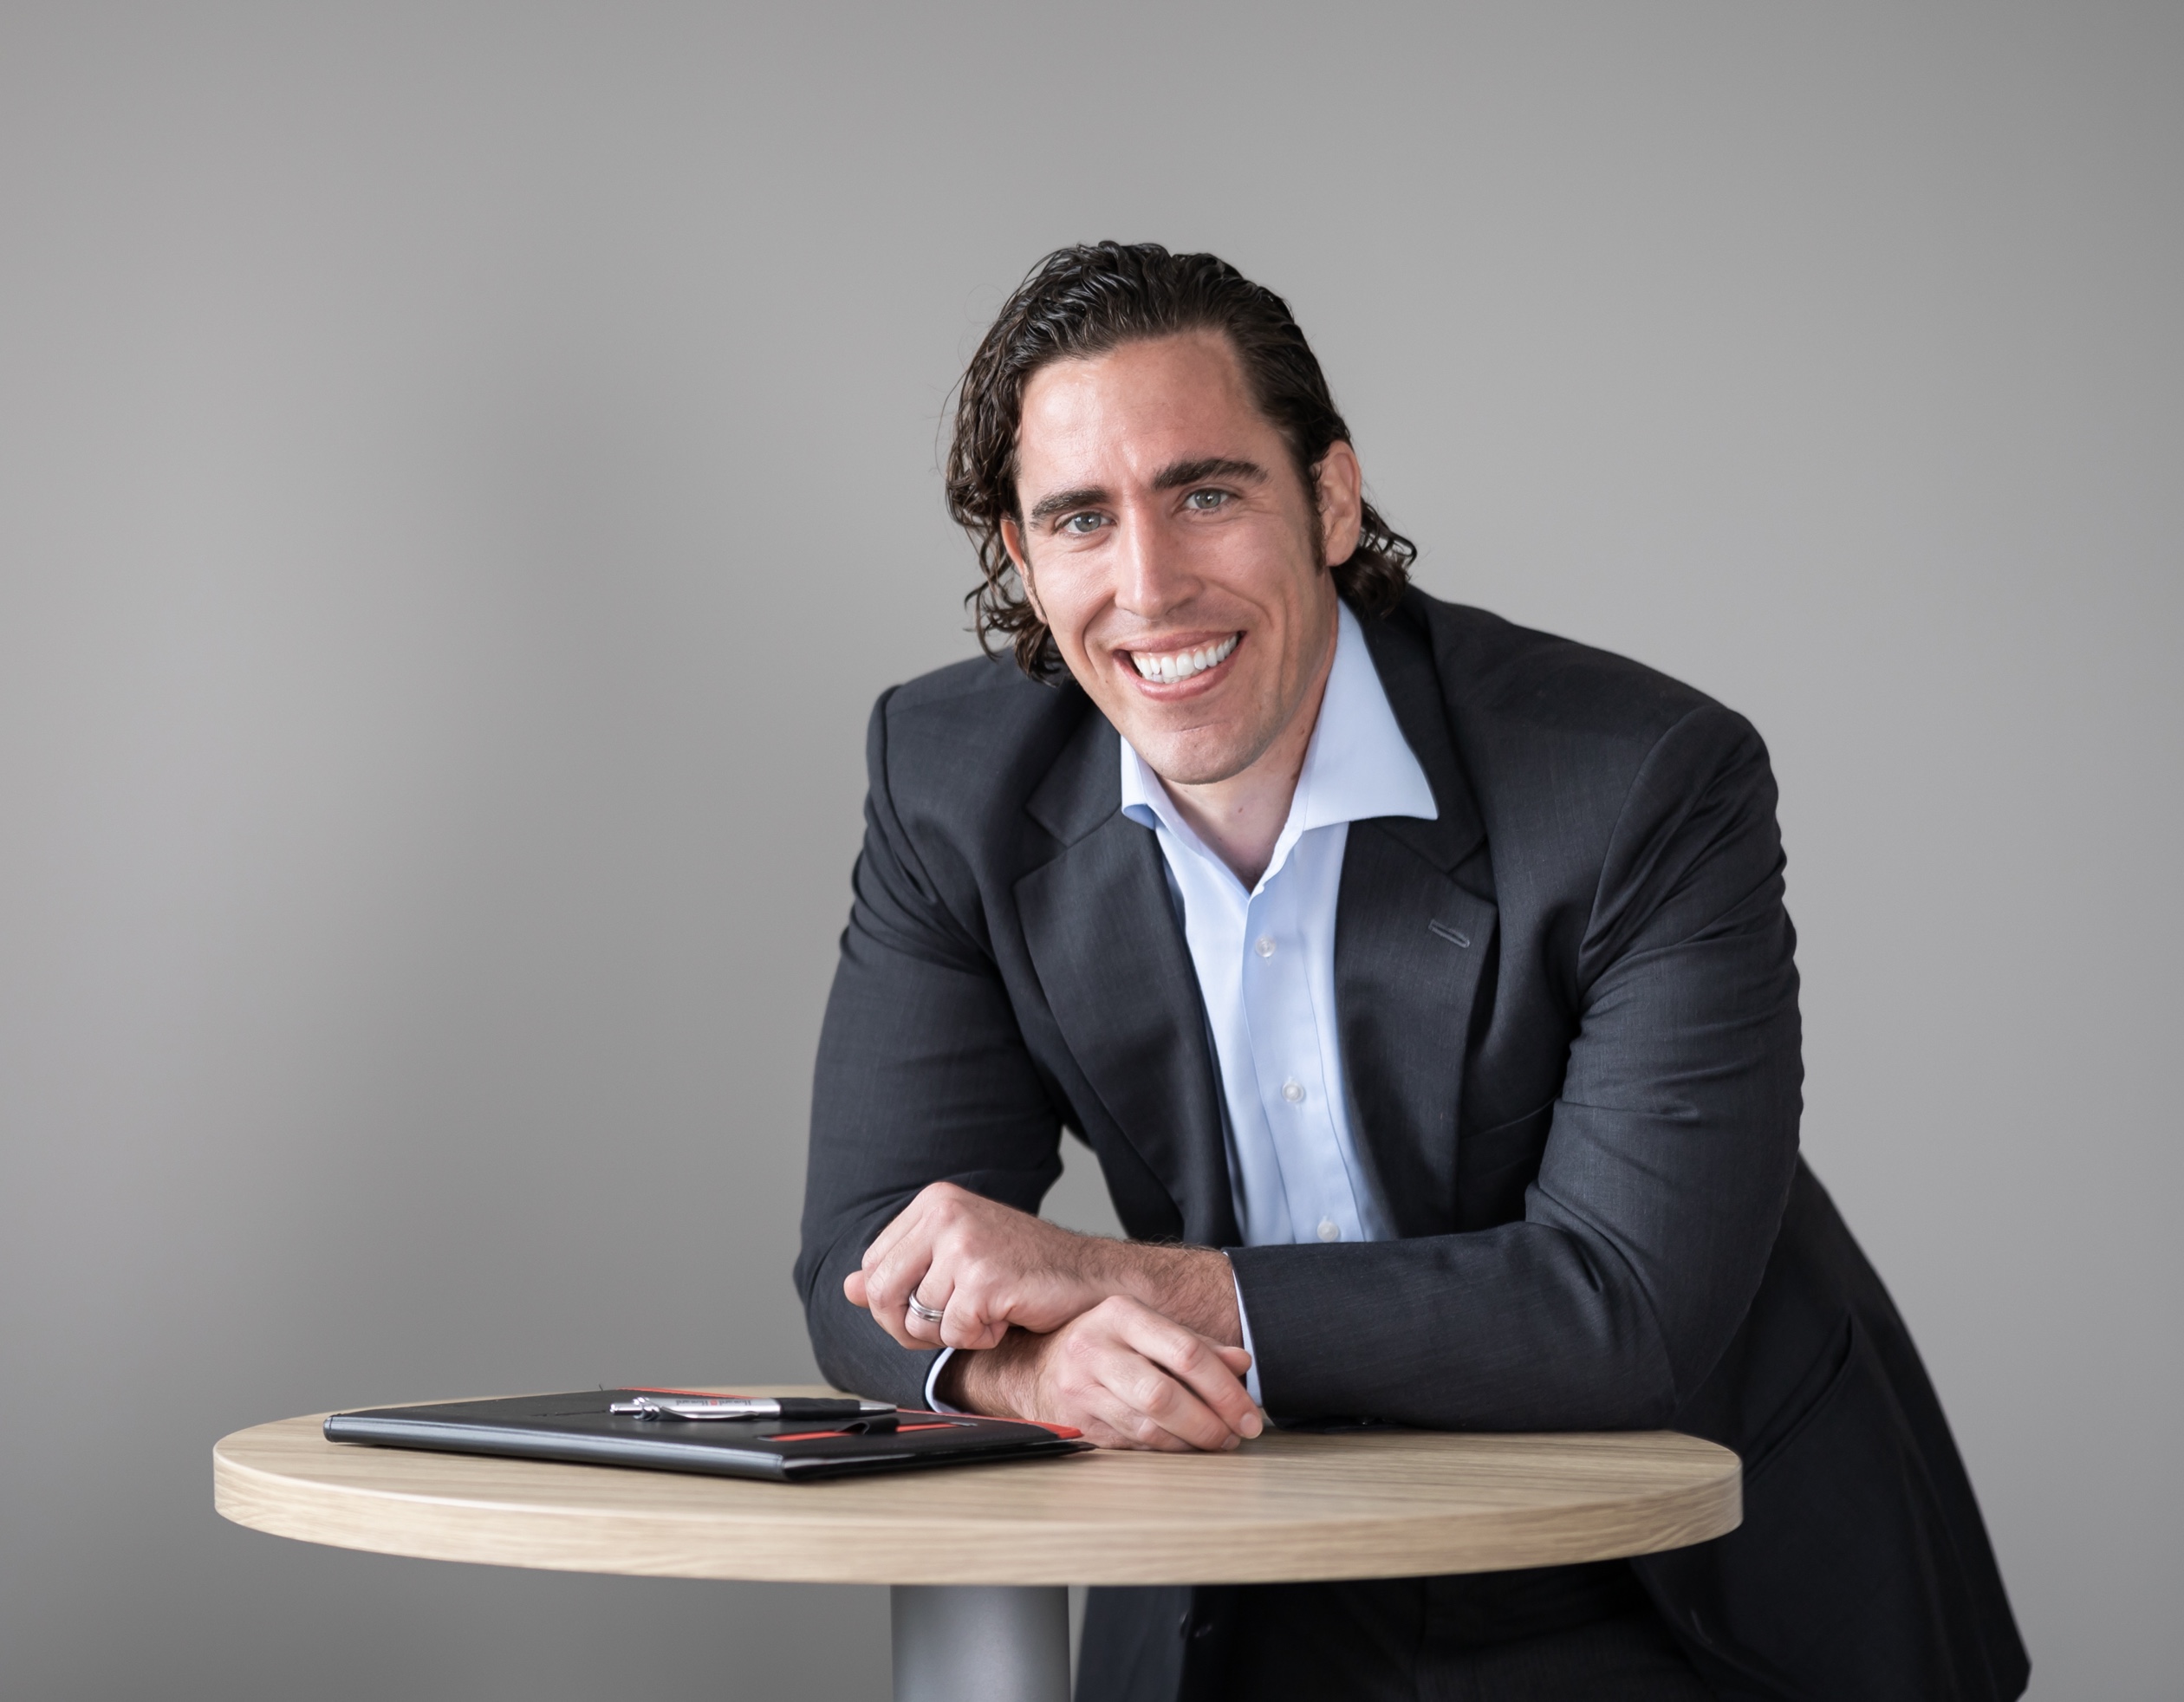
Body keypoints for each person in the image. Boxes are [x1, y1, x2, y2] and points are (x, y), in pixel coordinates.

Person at [795, 242, 2027, 1701]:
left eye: (1206, 494)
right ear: (1022, 558)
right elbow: (866, 1255)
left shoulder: (1640, 779)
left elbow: (1624, 1306)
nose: (1150, 585)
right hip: (1240, 1564)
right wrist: (1026, 1372)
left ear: (1330, 498)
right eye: (1080, 519)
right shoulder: (948, 783)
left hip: (1665, 1566)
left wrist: (1111, 1282)